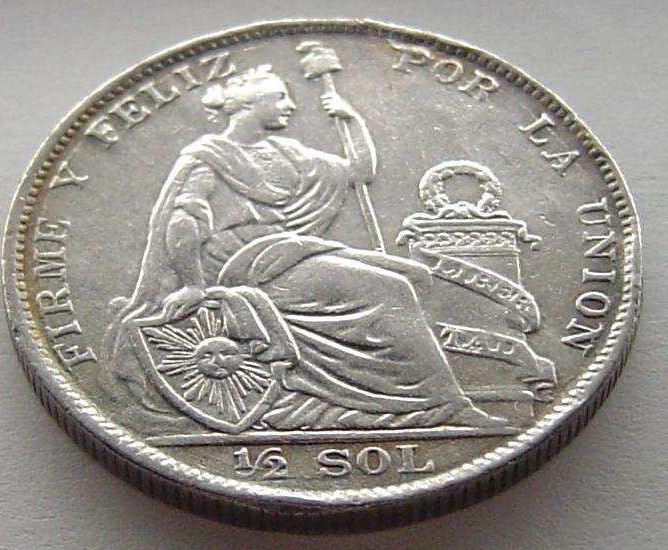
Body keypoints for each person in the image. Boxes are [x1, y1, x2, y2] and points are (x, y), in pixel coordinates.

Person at [103, 65, 504, 430]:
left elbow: (358, 172)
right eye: (279, 97)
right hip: (243, 262)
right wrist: (192, 284)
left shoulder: (286, 152)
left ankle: (378, 388)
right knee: (392, 290)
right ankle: (441, 404)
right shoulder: (210, 156)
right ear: (249, 105)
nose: (290, 106)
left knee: (413, 275)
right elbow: (183, 219)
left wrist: (352, 120)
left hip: (286, 252)